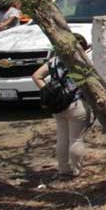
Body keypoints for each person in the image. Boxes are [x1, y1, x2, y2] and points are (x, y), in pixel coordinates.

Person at [31, 33, 91, 177]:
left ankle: (63, 169)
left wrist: (48, 91)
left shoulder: (54, 61)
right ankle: (78, 170)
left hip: (58, 105)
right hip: (77, 104)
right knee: (76, 139)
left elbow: (36, 76)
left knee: (62, 138)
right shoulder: (81, 62)